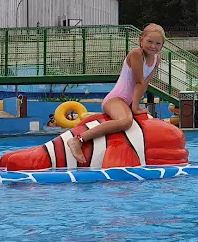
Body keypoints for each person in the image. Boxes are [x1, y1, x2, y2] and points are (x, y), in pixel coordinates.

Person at [67, 24, 164, 163]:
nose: (153, 46)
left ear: (162, 45)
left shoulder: (156, 60)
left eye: (158, 43)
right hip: (116, 99)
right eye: (149, 41)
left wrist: (134, 106)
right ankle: (78, 139)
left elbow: (145, 84)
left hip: (128, 102)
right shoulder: (137, 54)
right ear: (141, 39)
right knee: (125, 121)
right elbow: (139, 82)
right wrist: (135, 107)